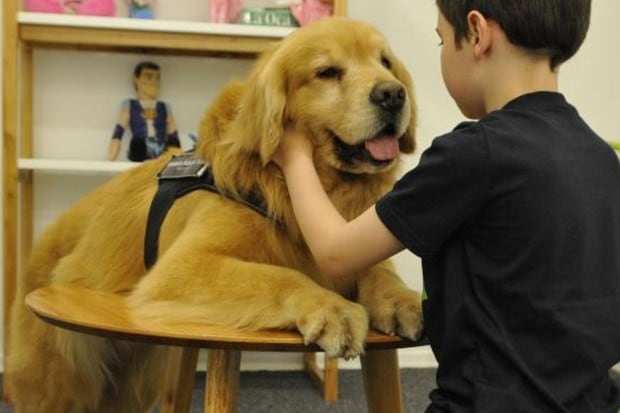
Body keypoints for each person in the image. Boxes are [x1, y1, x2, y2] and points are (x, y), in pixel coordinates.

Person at [273, 1, 620, 412]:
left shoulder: (473, 154)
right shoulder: (601, 157)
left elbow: (336, 253)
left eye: (441, 39)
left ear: (476, 33)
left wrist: (293, 155)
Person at [108, 61, 180, 162]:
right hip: (139, 149)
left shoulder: (164, 106)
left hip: (161, 150)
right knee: (137, 142)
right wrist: (110, 160)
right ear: (136, 79)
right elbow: (118, 132)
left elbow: (173, 133)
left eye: (157, 78)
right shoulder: (130, 104)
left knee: (172, 142)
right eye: (148, 77)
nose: (154, 82)